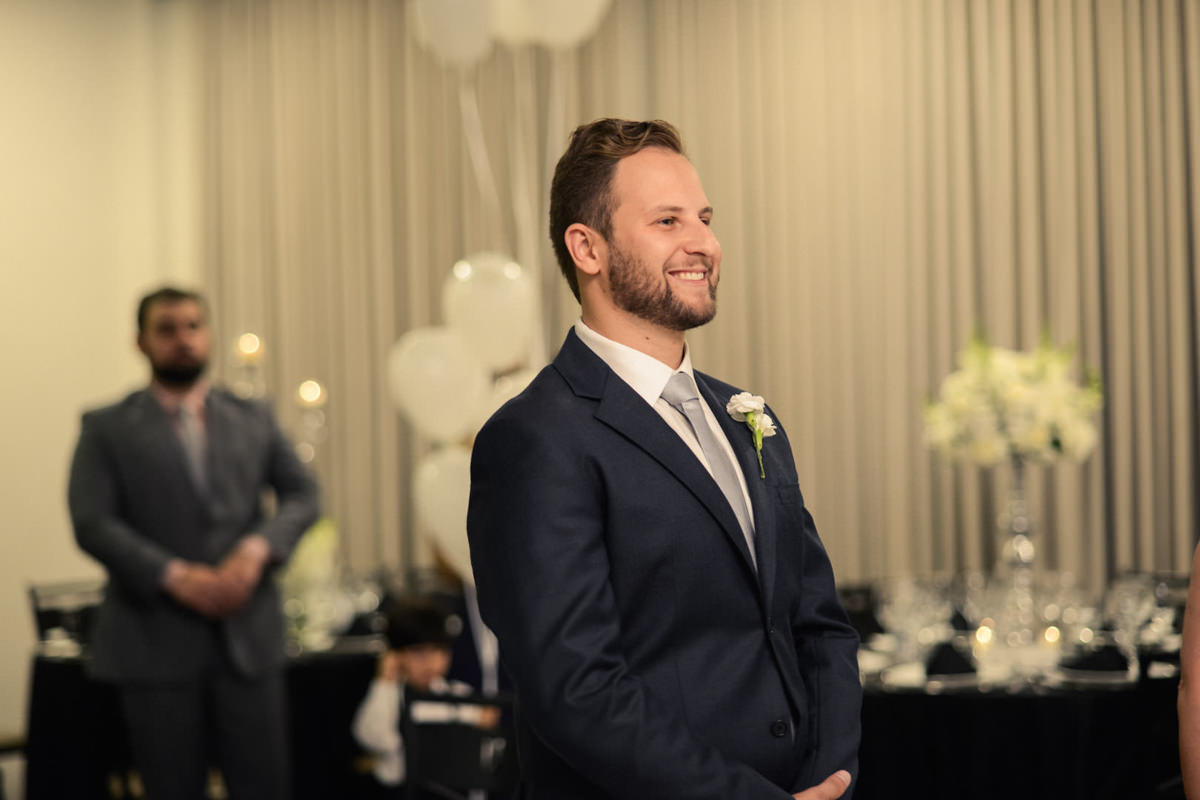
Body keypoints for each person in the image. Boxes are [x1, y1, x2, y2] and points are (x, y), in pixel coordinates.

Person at [466, 118, 862, 799]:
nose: (703, 244)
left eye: (704, 218)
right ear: (587, 248)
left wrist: (831, 777)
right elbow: (578, 691)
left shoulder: (746, 416)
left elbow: (819, 626)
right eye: (668, 221)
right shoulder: (536, 438)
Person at [67, 286, 320, 800]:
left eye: (192, 326)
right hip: (153, 640)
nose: (182, 339)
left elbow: (303, 494)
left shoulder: (255, 416)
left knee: (265, 787)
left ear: (207, 334)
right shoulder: (106, 427)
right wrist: (175, 576)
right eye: (166, 329)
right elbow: (92, 521)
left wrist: (255, 553)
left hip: (248, 638)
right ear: (141, 342)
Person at [353, 598, 499, 798]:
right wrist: (384, 681)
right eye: (419, 652)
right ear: (396, 655)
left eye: (439, 650)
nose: (431, 662)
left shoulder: (457, 695)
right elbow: (374, 738)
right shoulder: (390, 697)